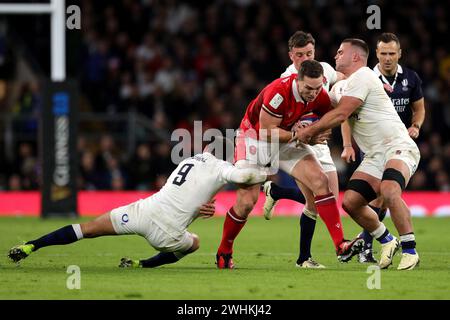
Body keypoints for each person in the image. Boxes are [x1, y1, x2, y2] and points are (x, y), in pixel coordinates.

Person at [8, 140, 268, 268]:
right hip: (167, 234)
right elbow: (244, 176)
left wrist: (199, 209)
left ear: (208, 148)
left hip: (143, 211)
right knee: (196, 242)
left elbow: (185, 192)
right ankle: (142, 264)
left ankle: (32, 245)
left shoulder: (189, 160)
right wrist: (265, 169)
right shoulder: (222, 167)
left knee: (85, 229)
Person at [215, 59, 364, 269]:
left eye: (317, 88)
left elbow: (331, 116)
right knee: (246, 202)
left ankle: (340, 245)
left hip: (286, 138)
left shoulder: (318, 93)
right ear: (298, 80)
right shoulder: (278, 92)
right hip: (254, 139)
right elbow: (267, 132)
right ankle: (224, 250)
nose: (313, 93)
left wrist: (317, 130)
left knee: (320, 181)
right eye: (308, 88)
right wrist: (301, 133)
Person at [293, 39, 421, 270]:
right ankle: (387, 240)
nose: (335, 56)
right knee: (351, 202)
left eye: (340, 52)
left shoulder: (364, 75)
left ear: (355, 57)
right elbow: (318, 110)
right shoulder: (338, 88)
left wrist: (310, 132)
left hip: (397, 145)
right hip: (374, 155)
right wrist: (298, 125)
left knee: (389, 190)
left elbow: (341, 114)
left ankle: (410, 250)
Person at [262, 31, 346, 269]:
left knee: (327, 198)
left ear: (314, 52)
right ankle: (309, 256)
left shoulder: (323, 69)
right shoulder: (287, 79)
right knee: (318, 196)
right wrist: (306, 129)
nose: (304, 58)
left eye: (309, 53)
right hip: (298, 142)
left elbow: (341, 77)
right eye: (299, 55)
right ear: (291, 56)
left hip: (319, 142)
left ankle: (277, 192)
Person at [340, 33, 425, 263]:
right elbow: (344, 115)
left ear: (399, 54)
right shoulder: (366, 77)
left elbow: (419, 108)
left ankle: (387, 248)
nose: (387, 58)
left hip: (398, 143)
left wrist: (416, 126)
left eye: (392, 53)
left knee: (385, 195)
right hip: (372, 148)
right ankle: (377, 243)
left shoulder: (410, 78)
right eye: (383, 53)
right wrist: (348, 145)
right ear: (376, 54)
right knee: (365, 200)